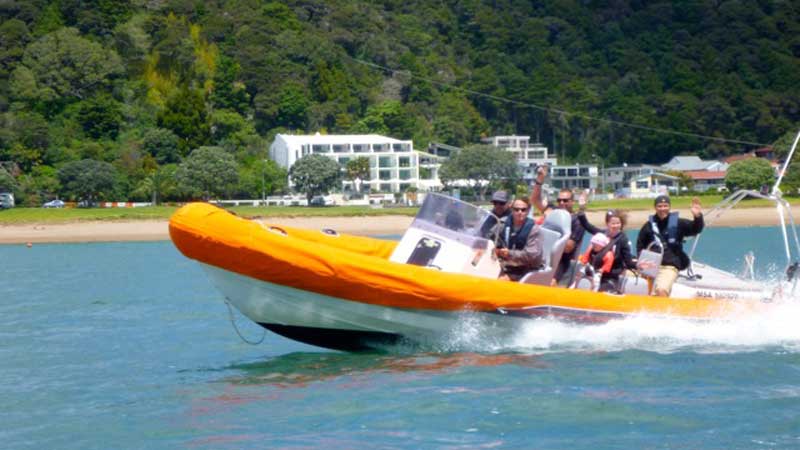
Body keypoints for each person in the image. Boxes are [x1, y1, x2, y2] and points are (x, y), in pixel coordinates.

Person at [636, 194, 704, 297]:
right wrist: (641, 264)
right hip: (651, 265)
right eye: (660, 206)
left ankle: (662, 308)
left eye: (665, 206)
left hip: (669, 266)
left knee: (661, 289)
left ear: (669, 207)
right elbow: (640, 246)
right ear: (655, 207)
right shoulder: (648, 226)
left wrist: (697, 216)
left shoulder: (679, 223)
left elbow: (696, 229)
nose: (662, 209)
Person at [530, 165, 585, 286]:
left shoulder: (577, 221)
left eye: (565, 201)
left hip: (562, 260)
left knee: (550, 282)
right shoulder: (553, 210)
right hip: (543, 255)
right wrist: (540, 179)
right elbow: (534, 200)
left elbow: (568, 247)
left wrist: (550, 234)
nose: (561, 203)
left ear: (572, 201)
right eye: (559, 200)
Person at [493, 197, 544, 281]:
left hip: (528, 269)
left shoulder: (534, 230)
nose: (520, 212)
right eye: (516, 209)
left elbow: (531, 256)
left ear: (528, 211)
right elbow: (491, 236)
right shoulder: (504, 223)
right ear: (512, 210)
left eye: (523, 210)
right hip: (509, 265)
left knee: (500, 280)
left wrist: (509, 253)